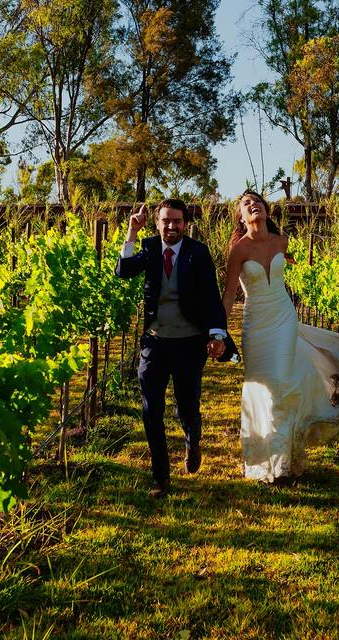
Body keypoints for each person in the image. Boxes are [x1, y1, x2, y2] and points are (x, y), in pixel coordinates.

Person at [222, 190, 339, 482]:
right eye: (247, 204)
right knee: (262, 388)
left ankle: (282, 464)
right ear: (241, 218)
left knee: (282, 384)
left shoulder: (282, 242)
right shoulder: (239, 250)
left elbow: (291, 265)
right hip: (256, 325)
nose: (253, 206)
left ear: (266, 211)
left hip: (283, 318)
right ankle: (262, 458)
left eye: (257, 202)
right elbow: (230, 293)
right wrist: (218, 331)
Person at [116, 199, 229, 497]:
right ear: (157, 223)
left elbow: (210, 295)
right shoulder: (151, 247)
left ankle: (193, 441)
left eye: (177, 221)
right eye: (166, 220)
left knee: (186, 405)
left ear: (185, 224)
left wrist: (217, 334)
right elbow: (124, 271)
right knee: (152, 410)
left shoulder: (198, 252)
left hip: (189, 343)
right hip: (154, 342)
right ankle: (161, 478)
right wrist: (131, 232)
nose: (171, 226)